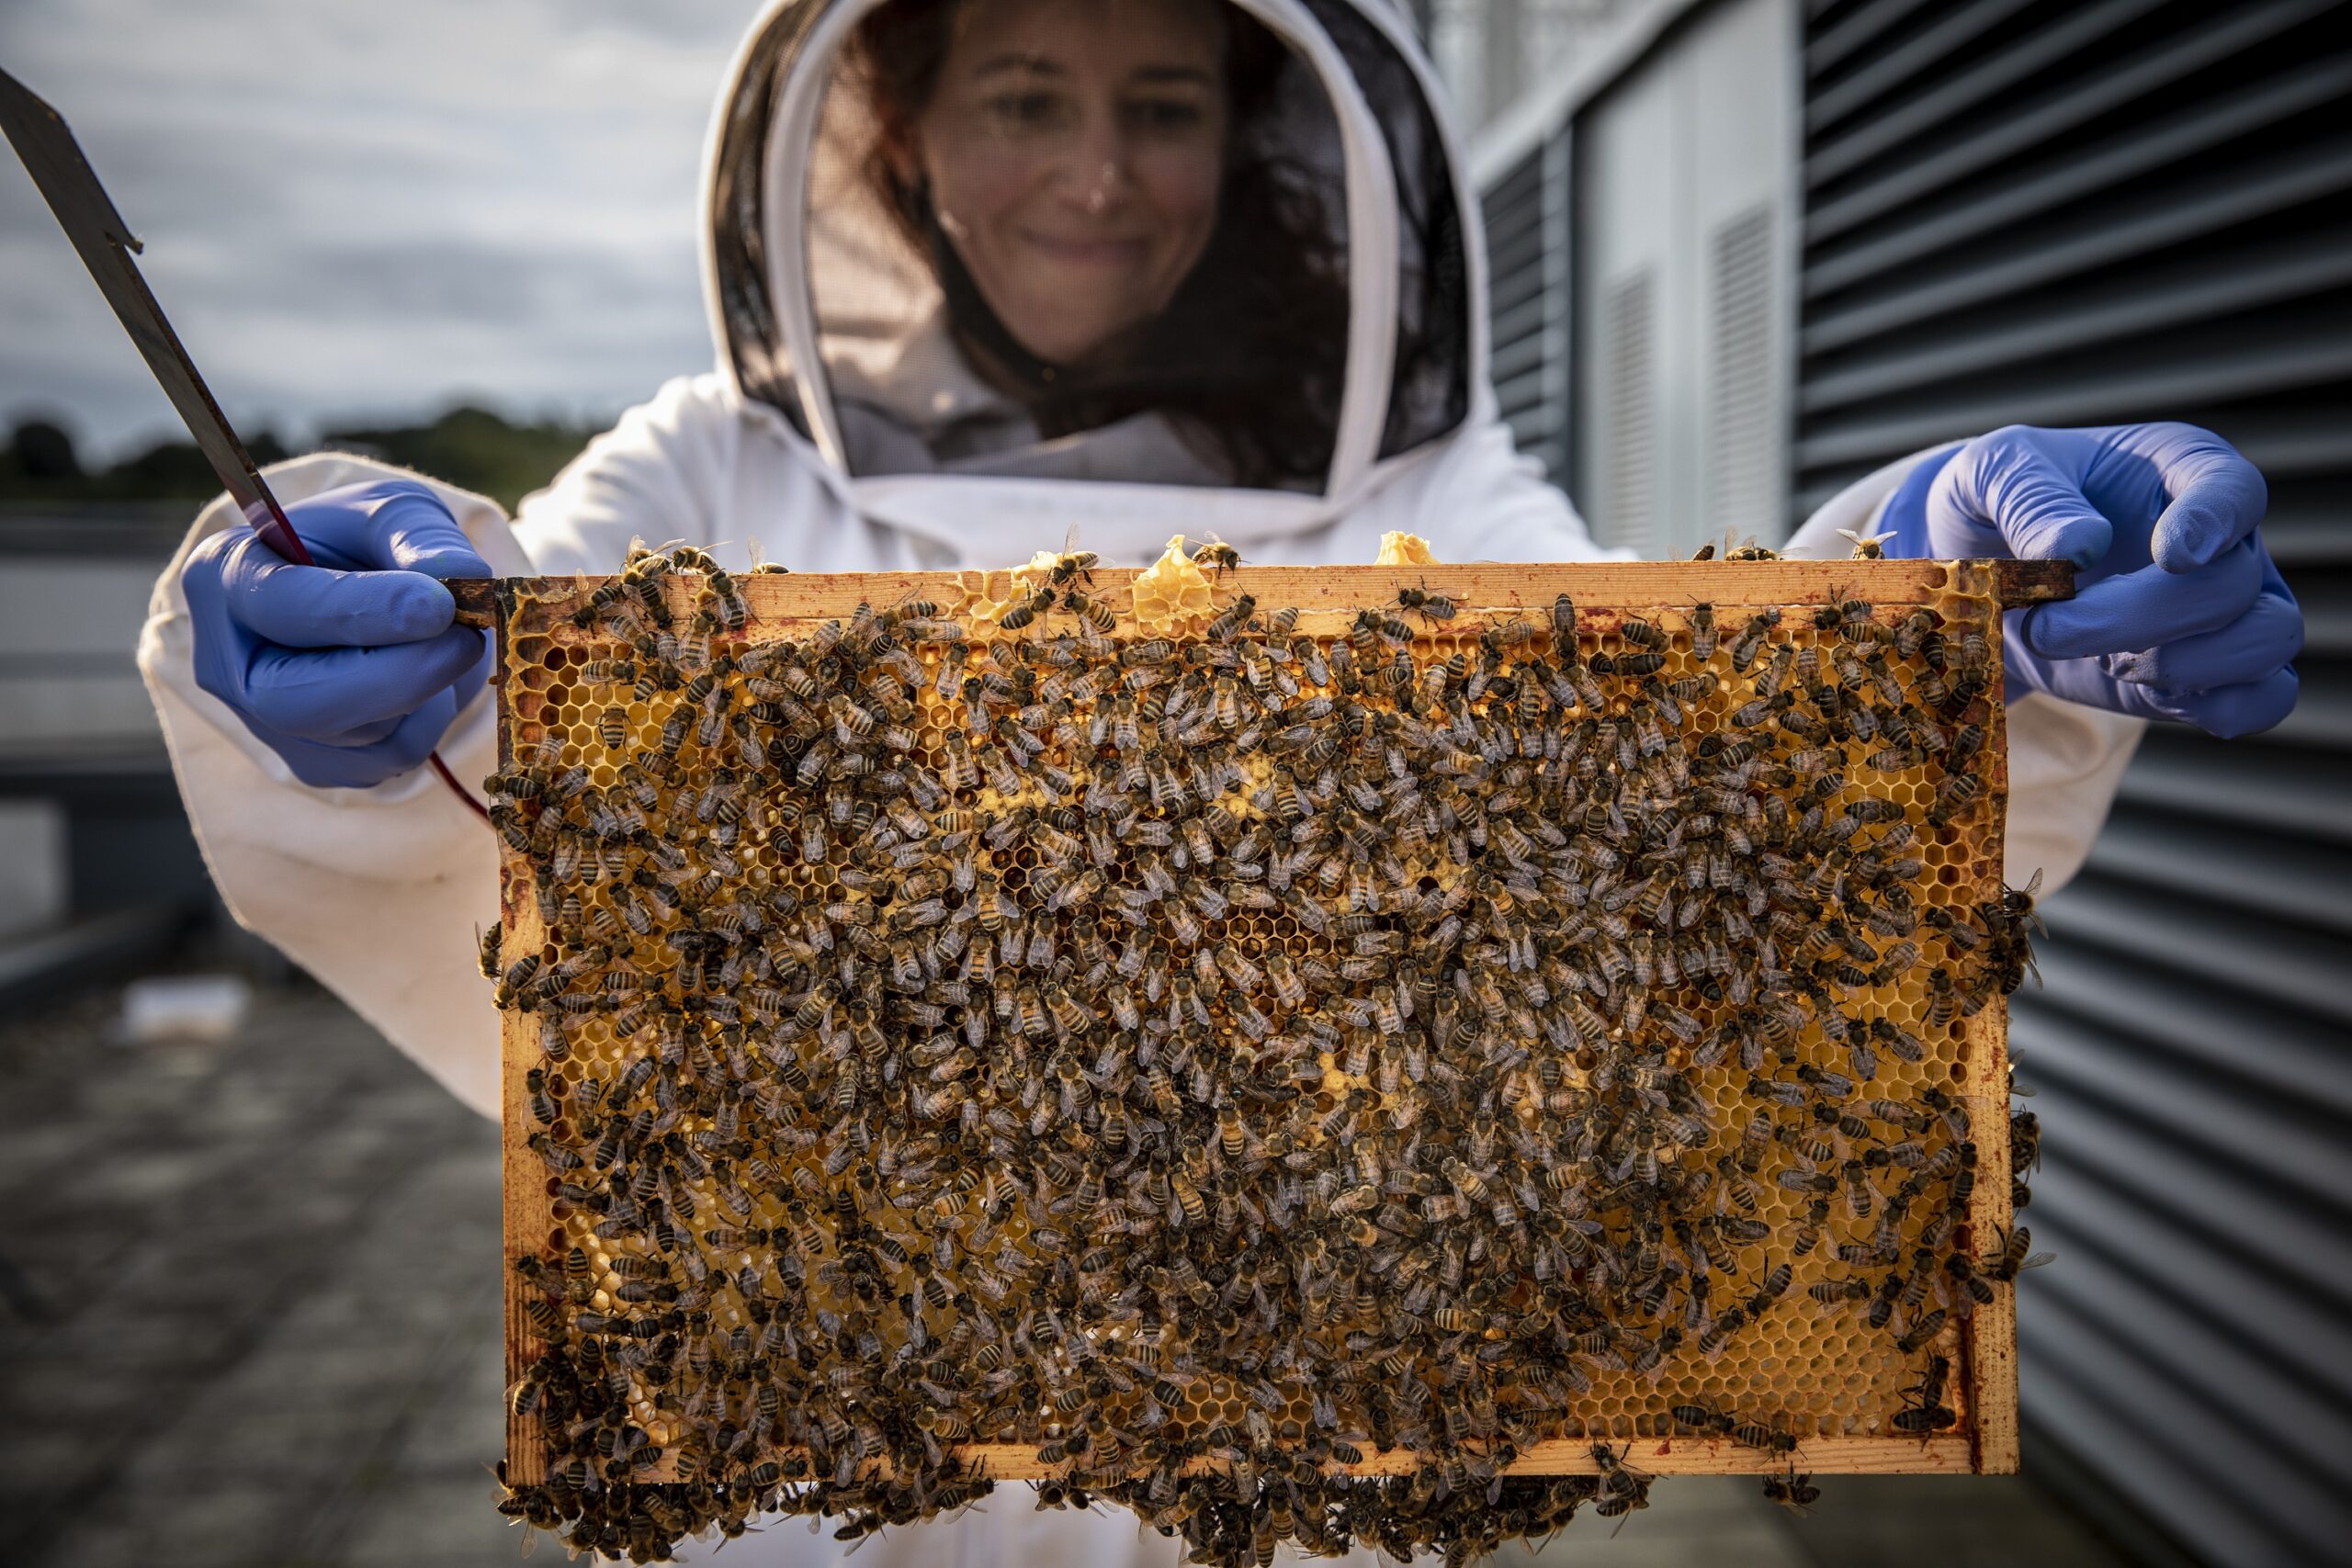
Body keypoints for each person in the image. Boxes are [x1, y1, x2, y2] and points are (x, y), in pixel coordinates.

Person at [139, 0, 2300, 1562]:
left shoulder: (1429, 479)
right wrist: (358, 665)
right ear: (899, 142)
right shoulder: (718, 463)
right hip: (831, 1476)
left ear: (1252, 143)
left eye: (1161, 104)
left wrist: (1936, 626)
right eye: (1025, 96)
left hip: (1332, 1452)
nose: (1096, 170)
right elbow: (515, 690)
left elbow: (1665, 791)